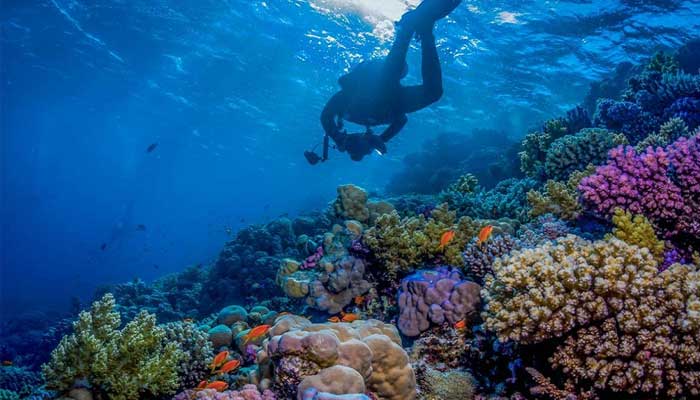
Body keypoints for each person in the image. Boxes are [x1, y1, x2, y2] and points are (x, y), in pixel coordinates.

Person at [305, 0, 461, 164]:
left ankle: (406, 29)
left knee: (388, 76)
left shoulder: (347, 111)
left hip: (375, 84)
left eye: (355, 148)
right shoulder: (373, 120)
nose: (363, 148)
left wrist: (337, 138)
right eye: (365, 151)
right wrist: (382, 138)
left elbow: (326, 115)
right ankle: (425, 31)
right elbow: (402, 120)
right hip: (393, 98)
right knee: (433, 93)